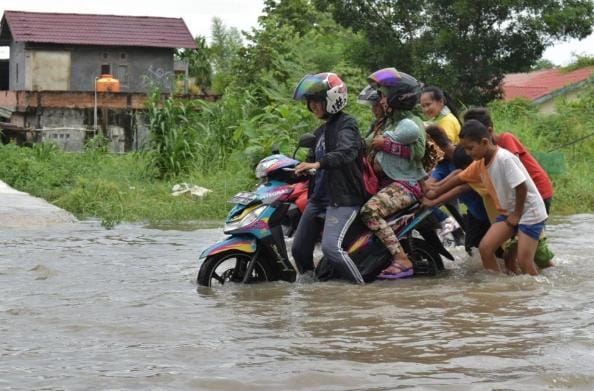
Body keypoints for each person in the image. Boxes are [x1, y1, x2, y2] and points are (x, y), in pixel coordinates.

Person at [427, 120, 548, 275]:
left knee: (524, 261)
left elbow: (521, 187)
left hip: (529, 212)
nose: (468, 153)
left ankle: (535, 293)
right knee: (485, 248)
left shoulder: (504, 158)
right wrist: (433, 192)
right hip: (508, 212)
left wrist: (517, 214)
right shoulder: (480, 163)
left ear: (484, 142)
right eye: (465, 149)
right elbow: (460, 178)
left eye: (470, 148)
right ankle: (497, 287)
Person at [291, 72, 367, 284]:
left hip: (343, 198)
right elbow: (309, 160)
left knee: (331, 249)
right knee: (298, 249)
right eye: (310, 102)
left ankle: (362, 291)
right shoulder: (320, 131)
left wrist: (318, 163)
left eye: (316, 101)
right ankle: (313, 290)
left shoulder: (347, 124)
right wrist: (297, 168)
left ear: (332, 99)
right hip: (318, 199)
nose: (313, 106)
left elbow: (347, 151)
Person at [359, 68, 427, 279]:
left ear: (397, 98)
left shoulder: (410, 123)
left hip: (406, 183)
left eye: (384, 96)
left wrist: (385, 145)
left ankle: (401, 258)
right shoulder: (388, 122)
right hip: (386, 181)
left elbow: (418, 153)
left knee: (369, 211)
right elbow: (367, 143)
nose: (381, 101)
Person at [462, 107, 554, 213]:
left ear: (488, 130)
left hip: (538, 189)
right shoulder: (485, 152)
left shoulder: (506, 139)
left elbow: (515, 169)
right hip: (522, 193)